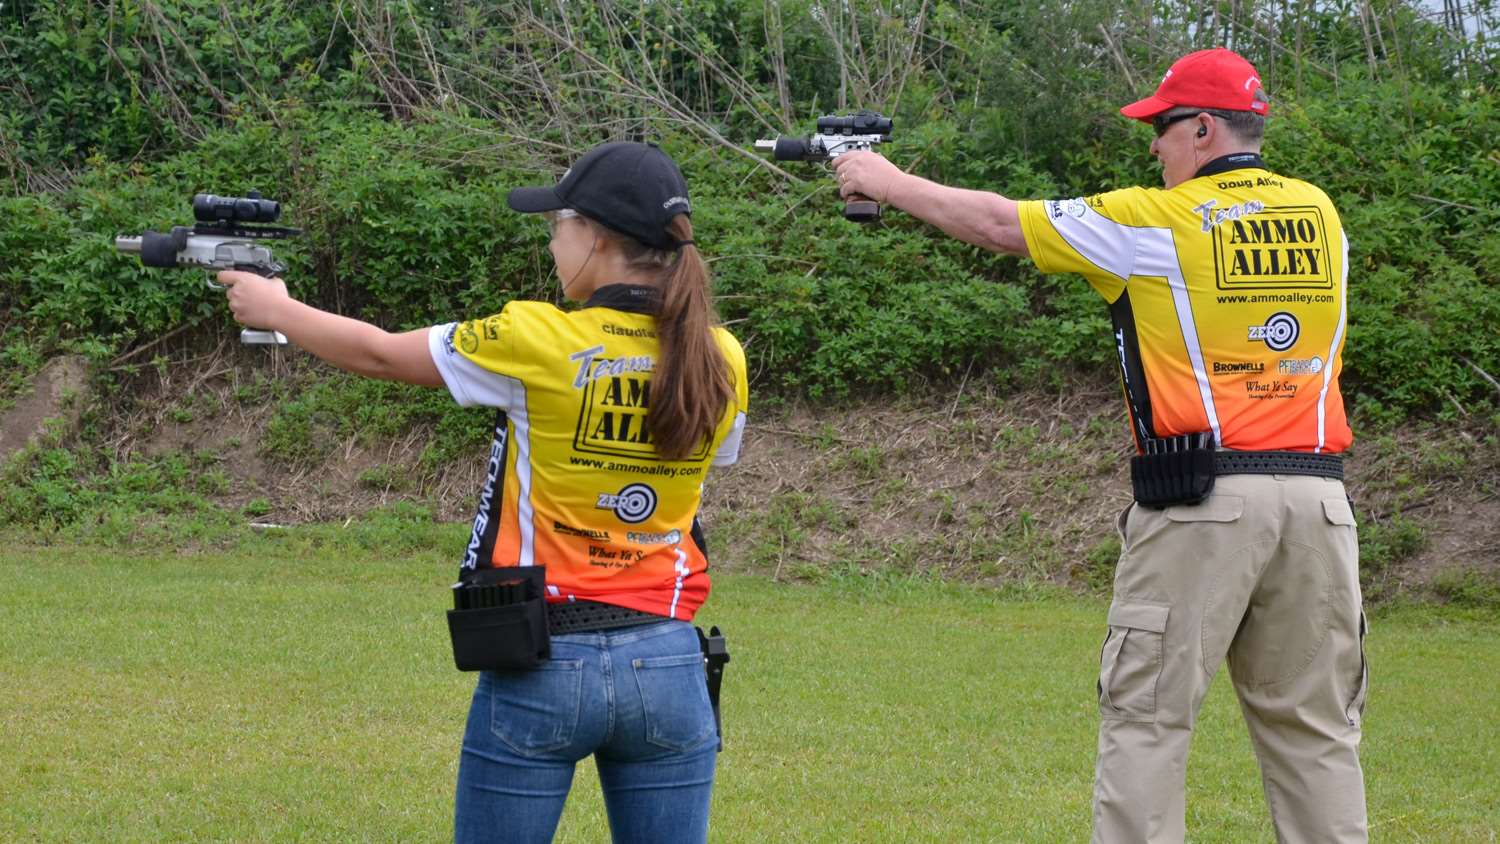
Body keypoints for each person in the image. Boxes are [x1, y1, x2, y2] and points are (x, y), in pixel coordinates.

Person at [833, 48, 1366, 843]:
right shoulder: (1321, 213)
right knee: (1317, 734)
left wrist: (886, 181)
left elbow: (997, 222)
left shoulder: (1157, 222)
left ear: (1203, 128)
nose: (1153, 146)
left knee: (1147, 721)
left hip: (1203, 503)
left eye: (1161, 127)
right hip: (1321, 505)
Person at [217, 141, 748, 844]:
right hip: (673, 662)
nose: (553, 241)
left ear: (595, 236)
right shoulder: (722, 356)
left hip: (547, 661)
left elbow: (379, 352)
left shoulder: (534, 337)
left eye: (557, 224)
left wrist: (275, 307)